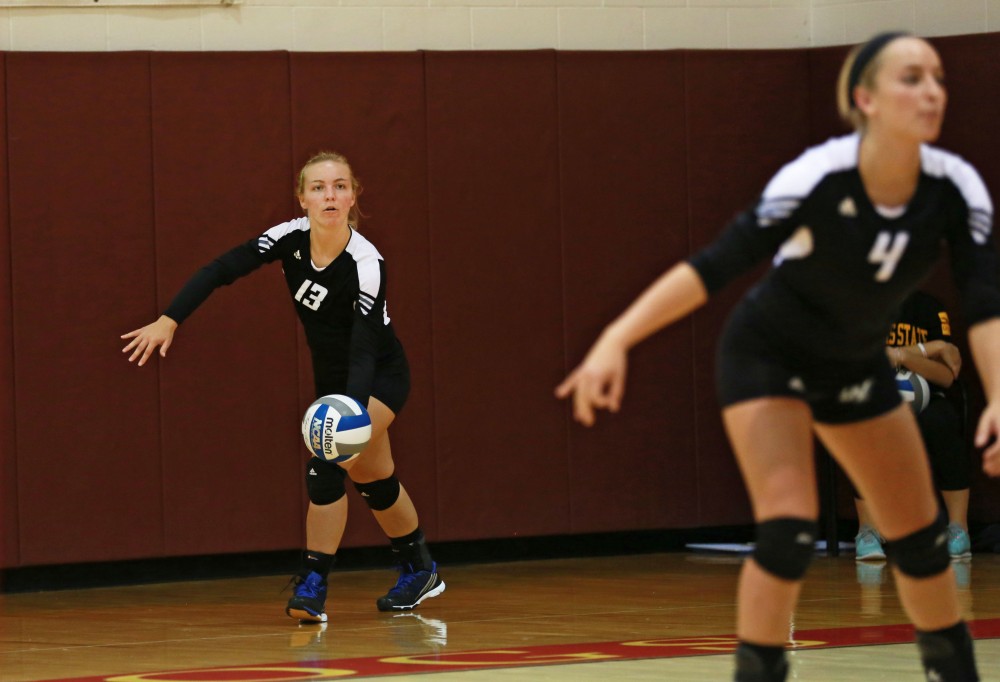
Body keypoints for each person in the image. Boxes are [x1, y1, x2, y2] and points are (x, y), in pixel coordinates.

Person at [556, 32, 1000, 682]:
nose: (931, 90)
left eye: (936, 77)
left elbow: (984, 300)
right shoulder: (817, 176)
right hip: (770, 354)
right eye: (911, 78)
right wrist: (615, 340)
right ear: (865, 99)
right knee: (788, 530)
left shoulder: (957, 188)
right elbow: (713, 267)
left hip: (852, 365)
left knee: (920, 538)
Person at [121, 151, 445, 623]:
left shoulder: (366, 262)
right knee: (375, 479)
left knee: (326, 464)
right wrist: (170, 319)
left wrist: (350, 412)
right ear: (302, 198)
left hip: (377, 375)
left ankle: (313, 585)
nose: (329, 195)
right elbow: (220, 269)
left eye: (339, 186)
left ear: (353, 196)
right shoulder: (288, 237)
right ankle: (421, 568)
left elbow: (362, 349)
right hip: (335, 380)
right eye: (318, 187)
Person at [855, 290, 972, 561]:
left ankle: (958, 529)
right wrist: (927, 349)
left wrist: (903, 357)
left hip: (927, 398)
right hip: (872, 396)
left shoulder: (928, 306)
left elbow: (946, 376)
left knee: (941, 420)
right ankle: (868, 531)